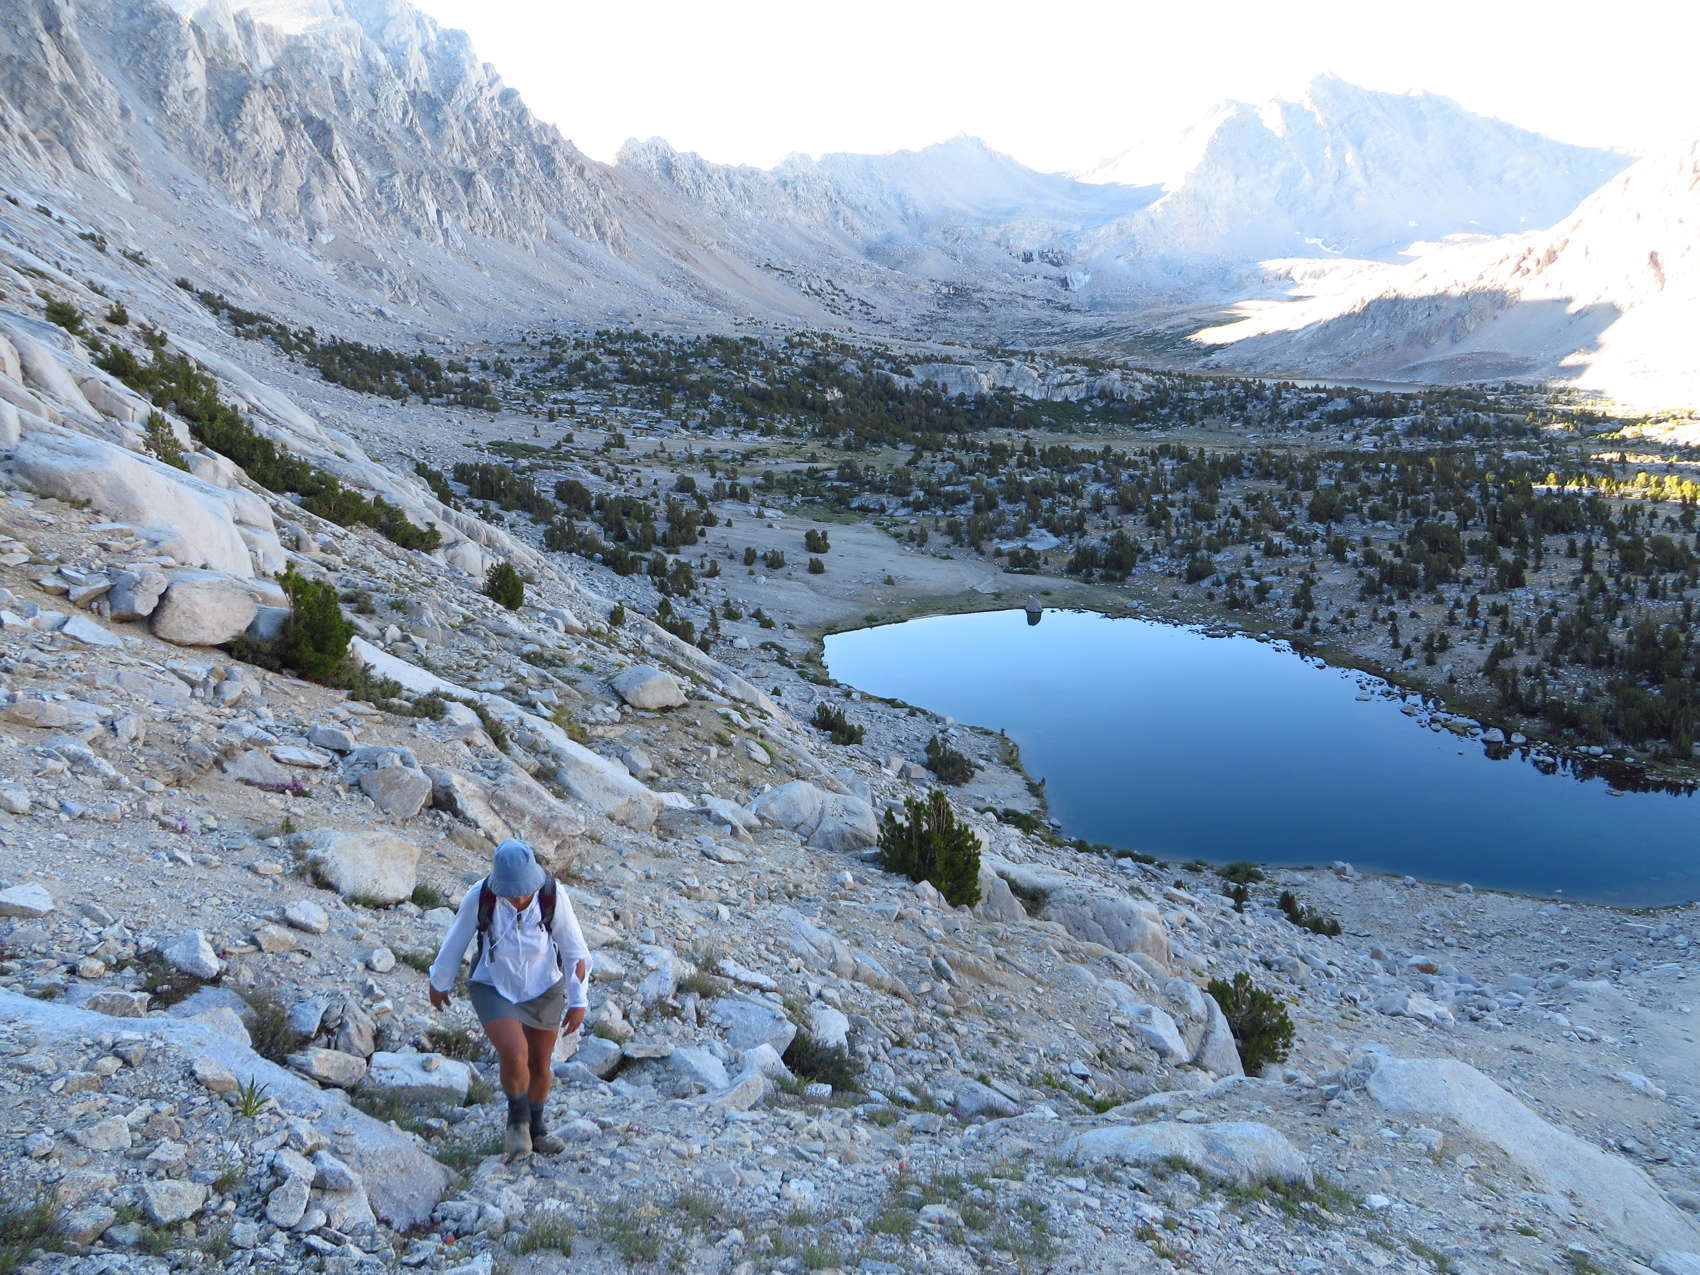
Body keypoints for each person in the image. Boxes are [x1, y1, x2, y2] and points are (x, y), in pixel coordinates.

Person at [427, 839, 591, 1158]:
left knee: (540, 1063)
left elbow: (575, 952)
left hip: (545, 986)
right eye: (511, 892)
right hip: (492, 984)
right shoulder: (481, 896)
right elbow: (455, 940)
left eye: (524, 891)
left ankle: (537, 1129)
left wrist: (578, 1000)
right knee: (515, 1053)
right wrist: (439, 981)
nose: (518, 897)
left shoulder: (552, 895)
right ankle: (517, 1124)